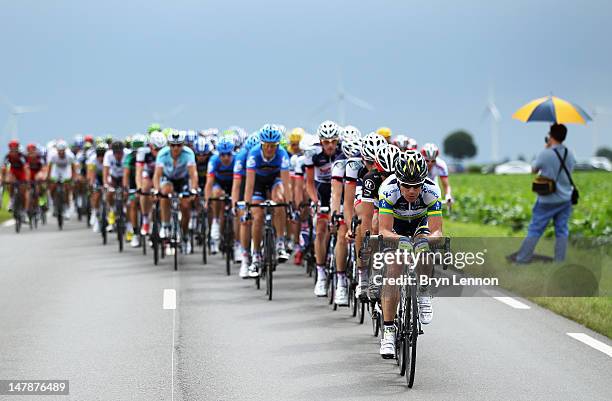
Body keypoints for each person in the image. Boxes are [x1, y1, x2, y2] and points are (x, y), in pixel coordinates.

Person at [377, 151, 443, 358]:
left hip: (420, 223)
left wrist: (424, 241)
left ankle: (423, 291)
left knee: (424, 252)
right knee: (394, 269)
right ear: (398, 182)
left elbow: (437, 232)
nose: (412, 191)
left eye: (416, 186)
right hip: (395, 227)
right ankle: (388, 332)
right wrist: (401, 241)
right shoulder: (388, 190)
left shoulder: (431, 191)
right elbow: (384, 230)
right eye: (406, 186)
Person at [515, 123, 576, 263]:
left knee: (535, 230)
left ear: (550, 136)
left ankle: (522, 259)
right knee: (562, 231)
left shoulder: (545, 153)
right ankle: (559, 261)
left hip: (547, 200)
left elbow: (534, 170)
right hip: (565, 198)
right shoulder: (569, 153)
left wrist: (546, 148)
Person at [244, 124, 291, 277]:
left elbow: (286, 183)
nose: (270, 149)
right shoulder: (253, 154)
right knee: (257, 216)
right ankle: (256, 255)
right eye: (267, 146)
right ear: (261, 144)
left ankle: (279, 242)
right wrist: (247, 206)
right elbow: (249, 184)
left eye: (273, 146)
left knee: (279, 200)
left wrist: (289, 205)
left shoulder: (282, 154)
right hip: (257, 183)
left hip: (274, 181)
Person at [153, 130, 199, 254]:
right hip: (168, 179)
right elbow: (157, 175)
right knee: (165, 192)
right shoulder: (162, 154)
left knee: (185, 205)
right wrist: (156, 190)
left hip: (183, 180)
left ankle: (184, 237)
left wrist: (193, 190)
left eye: (179, 145)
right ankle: (165, 225)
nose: (176, 148)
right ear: (169, 145)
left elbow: (193, 174)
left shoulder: (188, 153)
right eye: (173, 145)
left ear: (183, 145)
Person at [421, 143, 453, 208]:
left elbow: (446, 185)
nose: (430, 163)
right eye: (427, 160)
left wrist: (448, 196)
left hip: (433, 182)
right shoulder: (417, 163)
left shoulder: (441, 165)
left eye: (433, 161)